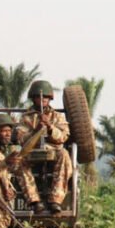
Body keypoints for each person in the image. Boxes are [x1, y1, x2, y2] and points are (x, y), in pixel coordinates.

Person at [15, 80, 72, 214]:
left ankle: (55, 200)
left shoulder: (57, 116)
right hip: (32, 151)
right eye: (39, 97)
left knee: (64, 154)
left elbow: (63, 137)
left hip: (52, 150)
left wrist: (50, 127)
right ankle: (34, 201)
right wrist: (36, 131)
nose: (42, 100)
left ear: (50, 98)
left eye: (45, 97)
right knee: (18, 161)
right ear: (33, 98)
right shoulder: (25, 118)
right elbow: (21, 139)